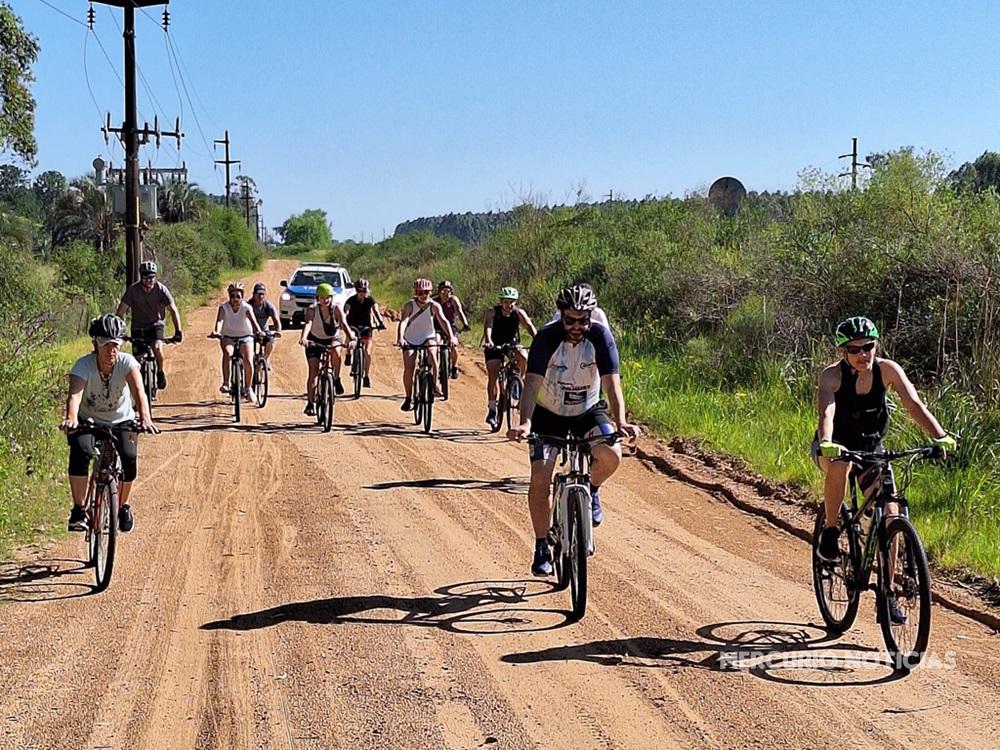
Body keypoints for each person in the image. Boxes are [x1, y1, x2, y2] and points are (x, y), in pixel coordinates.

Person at [507, 284, 640, 576]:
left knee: (612, 455)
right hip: (548, 413)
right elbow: (531, 384)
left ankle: (591, 488)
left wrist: (620, 421)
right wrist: (525, 421)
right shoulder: (546, 336)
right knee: (541, 476)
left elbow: (611, 381)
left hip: (587, 411)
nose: (577, 326)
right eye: (570, 320)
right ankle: (542, 544)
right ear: (561, 315)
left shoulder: (600, 335)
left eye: (583, 319)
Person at [814, 316, 956, 569]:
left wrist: (940, 436)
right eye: (854, 349)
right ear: (843, 351)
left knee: (892, 514)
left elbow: (914, 405)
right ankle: (831, 531)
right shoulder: (831, 376)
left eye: (868, 347)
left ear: (876, 346)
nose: (862, 354)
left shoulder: (887, 370)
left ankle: (888, 596)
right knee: (839, 465)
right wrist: (826, 441)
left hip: (871, 448)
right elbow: (827, 412)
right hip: (835, 444)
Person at [60, 314, 158, 534]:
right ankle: (78, 509)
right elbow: (74, 395)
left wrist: (145, 417)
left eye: (116, 344)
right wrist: (72, 418)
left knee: (129, 457)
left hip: (121, 420)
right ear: (95, 344)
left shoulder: (127, 363)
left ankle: (122, 505)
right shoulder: (83, 365)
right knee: (80, 451)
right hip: (89, 420)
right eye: (106, 345)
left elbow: (139, 392)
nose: (111, 350)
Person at [115, 260, 183, 390]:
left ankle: (160, 372)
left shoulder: (161, 289)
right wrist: (118, 331)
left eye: (152, 277)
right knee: (137, 361)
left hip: (156, 325)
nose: (149, 281)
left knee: (157, 348)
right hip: (138, 327)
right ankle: (139, 391)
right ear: (141, 277)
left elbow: (173, 310)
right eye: (146, 278)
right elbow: (121, 311)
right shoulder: (133, 290)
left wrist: (178, 331)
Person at [396, 277, 456, 411]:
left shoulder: (434, 305)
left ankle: (434, 385)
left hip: (428, 336)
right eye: (420, 292)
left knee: (433, 355)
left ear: (431, 292)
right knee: (409, 367)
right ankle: (408, 397)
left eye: (426, 292)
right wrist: (401, 338)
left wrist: (451, 337)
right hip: (411, 338)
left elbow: (443, 321)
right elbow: (404, 321)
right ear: (416, 292)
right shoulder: (409, 305)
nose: (423, 295)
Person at [483, 286, 537, 430]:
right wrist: (489, 341)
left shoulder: (518, 313)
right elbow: (488, 327)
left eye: (512, 302)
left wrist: (538, 340)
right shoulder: (492, 312)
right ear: (501, 302)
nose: (509, 305)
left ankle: (518, 380)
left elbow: (529, 326)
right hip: (494, 345)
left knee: (523, 356)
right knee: (493, 373)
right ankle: (492, 409)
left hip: (511, 343)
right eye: (506, 302)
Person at [299, 282, 355, 415]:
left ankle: (336, 378)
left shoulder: (336, 308)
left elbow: (343, 323)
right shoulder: (312, 309)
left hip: (332, 338)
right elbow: (308, 323)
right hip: (314, 339)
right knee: (313, 371)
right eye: (322, 297)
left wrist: (351, 338)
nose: (325, 300)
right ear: (317, 298)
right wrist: (304, 338)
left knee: (336, 351)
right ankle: (310, 403)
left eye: (328, 297)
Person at [211, 282, 266, 401]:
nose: (235, 299)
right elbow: (220, 321)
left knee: (248, 358)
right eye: (233, 296)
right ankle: (226, 383)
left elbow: (253, 321)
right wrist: (217, 331)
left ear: (242, 297)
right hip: (228, 337)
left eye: (238, 296)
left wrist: (259, 331)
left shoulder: (246, 307)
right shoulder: (224, 308)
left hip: (245, 336)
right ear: (229, 296)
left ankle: (248, 388)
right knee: (227, 353)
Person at [343, 278, 386, 388]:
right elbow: (346, 311)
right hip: (352, 325)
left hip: (366, 326)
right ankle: (348, 354)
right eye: (359, 291)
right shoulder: (350, 300)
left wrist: (380, 322)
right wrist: (344, 320)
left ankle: (366, 376)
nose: (362, 293)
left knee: (367, 352)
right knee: (349, 338)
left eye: (364, 291)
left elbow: (376, 311)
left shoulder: (370, 300)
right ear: (356, 290)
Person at [432, 280, 471, 379]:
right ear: (439, 292)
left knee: (453, 345)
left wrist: (465, 324)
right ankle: (434, 365)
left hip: (451, 326)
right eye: (443, 291)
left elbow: (459, 311)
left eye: (448, 291)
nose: (446, 294)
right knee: (435, 343)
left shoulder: (453, 300)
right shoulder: (434, 301)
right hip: (437, 326)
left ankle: (454, 366)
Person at [248, 282, 282, 367]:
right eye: (258, 294)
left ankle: (265, 358)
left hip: (264, 332)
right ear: (253, 294)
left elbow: (276, 320)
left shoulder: (268, 306)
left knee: (270, 341)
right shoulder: (248, 305)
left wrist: (278, 331)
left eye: (262, 294)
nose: (260, 297)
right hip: (250, 332)